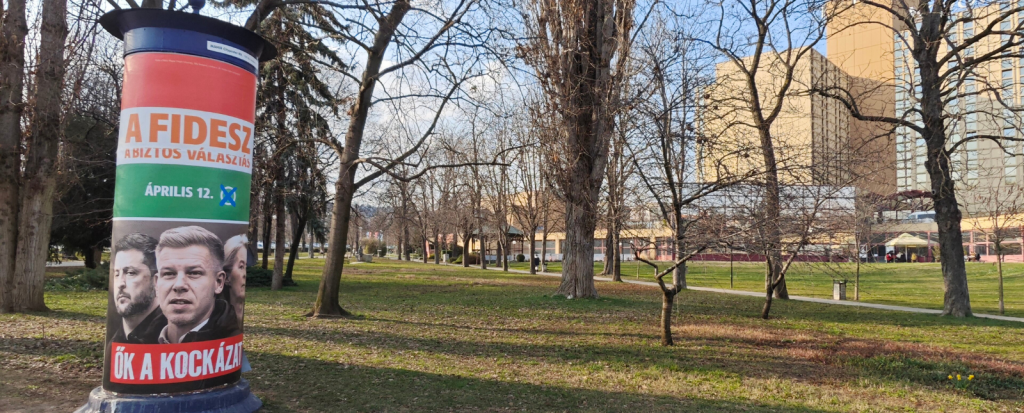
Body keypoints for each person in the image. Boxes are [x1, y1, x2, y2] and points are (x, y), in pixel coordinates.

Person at [155, 226, 240, 344]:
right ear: (156, 284)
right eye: (169, 273)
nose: (179, 285)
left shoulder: (232, 343)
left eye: (194, 273)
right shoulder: (135, 342)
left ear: (219, 282)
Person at [110, 233, 166, 344]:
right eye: (116, 274)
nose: (120, 284)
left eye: (130, 273)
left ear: (156, 280)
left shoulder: (170, 335)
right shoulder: (114, 342)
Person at [221, 234, 248, 328]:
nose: (245, 274)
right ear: (227, 277)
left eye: (246, 267)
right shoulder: (218, 324)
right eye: (241, 267)